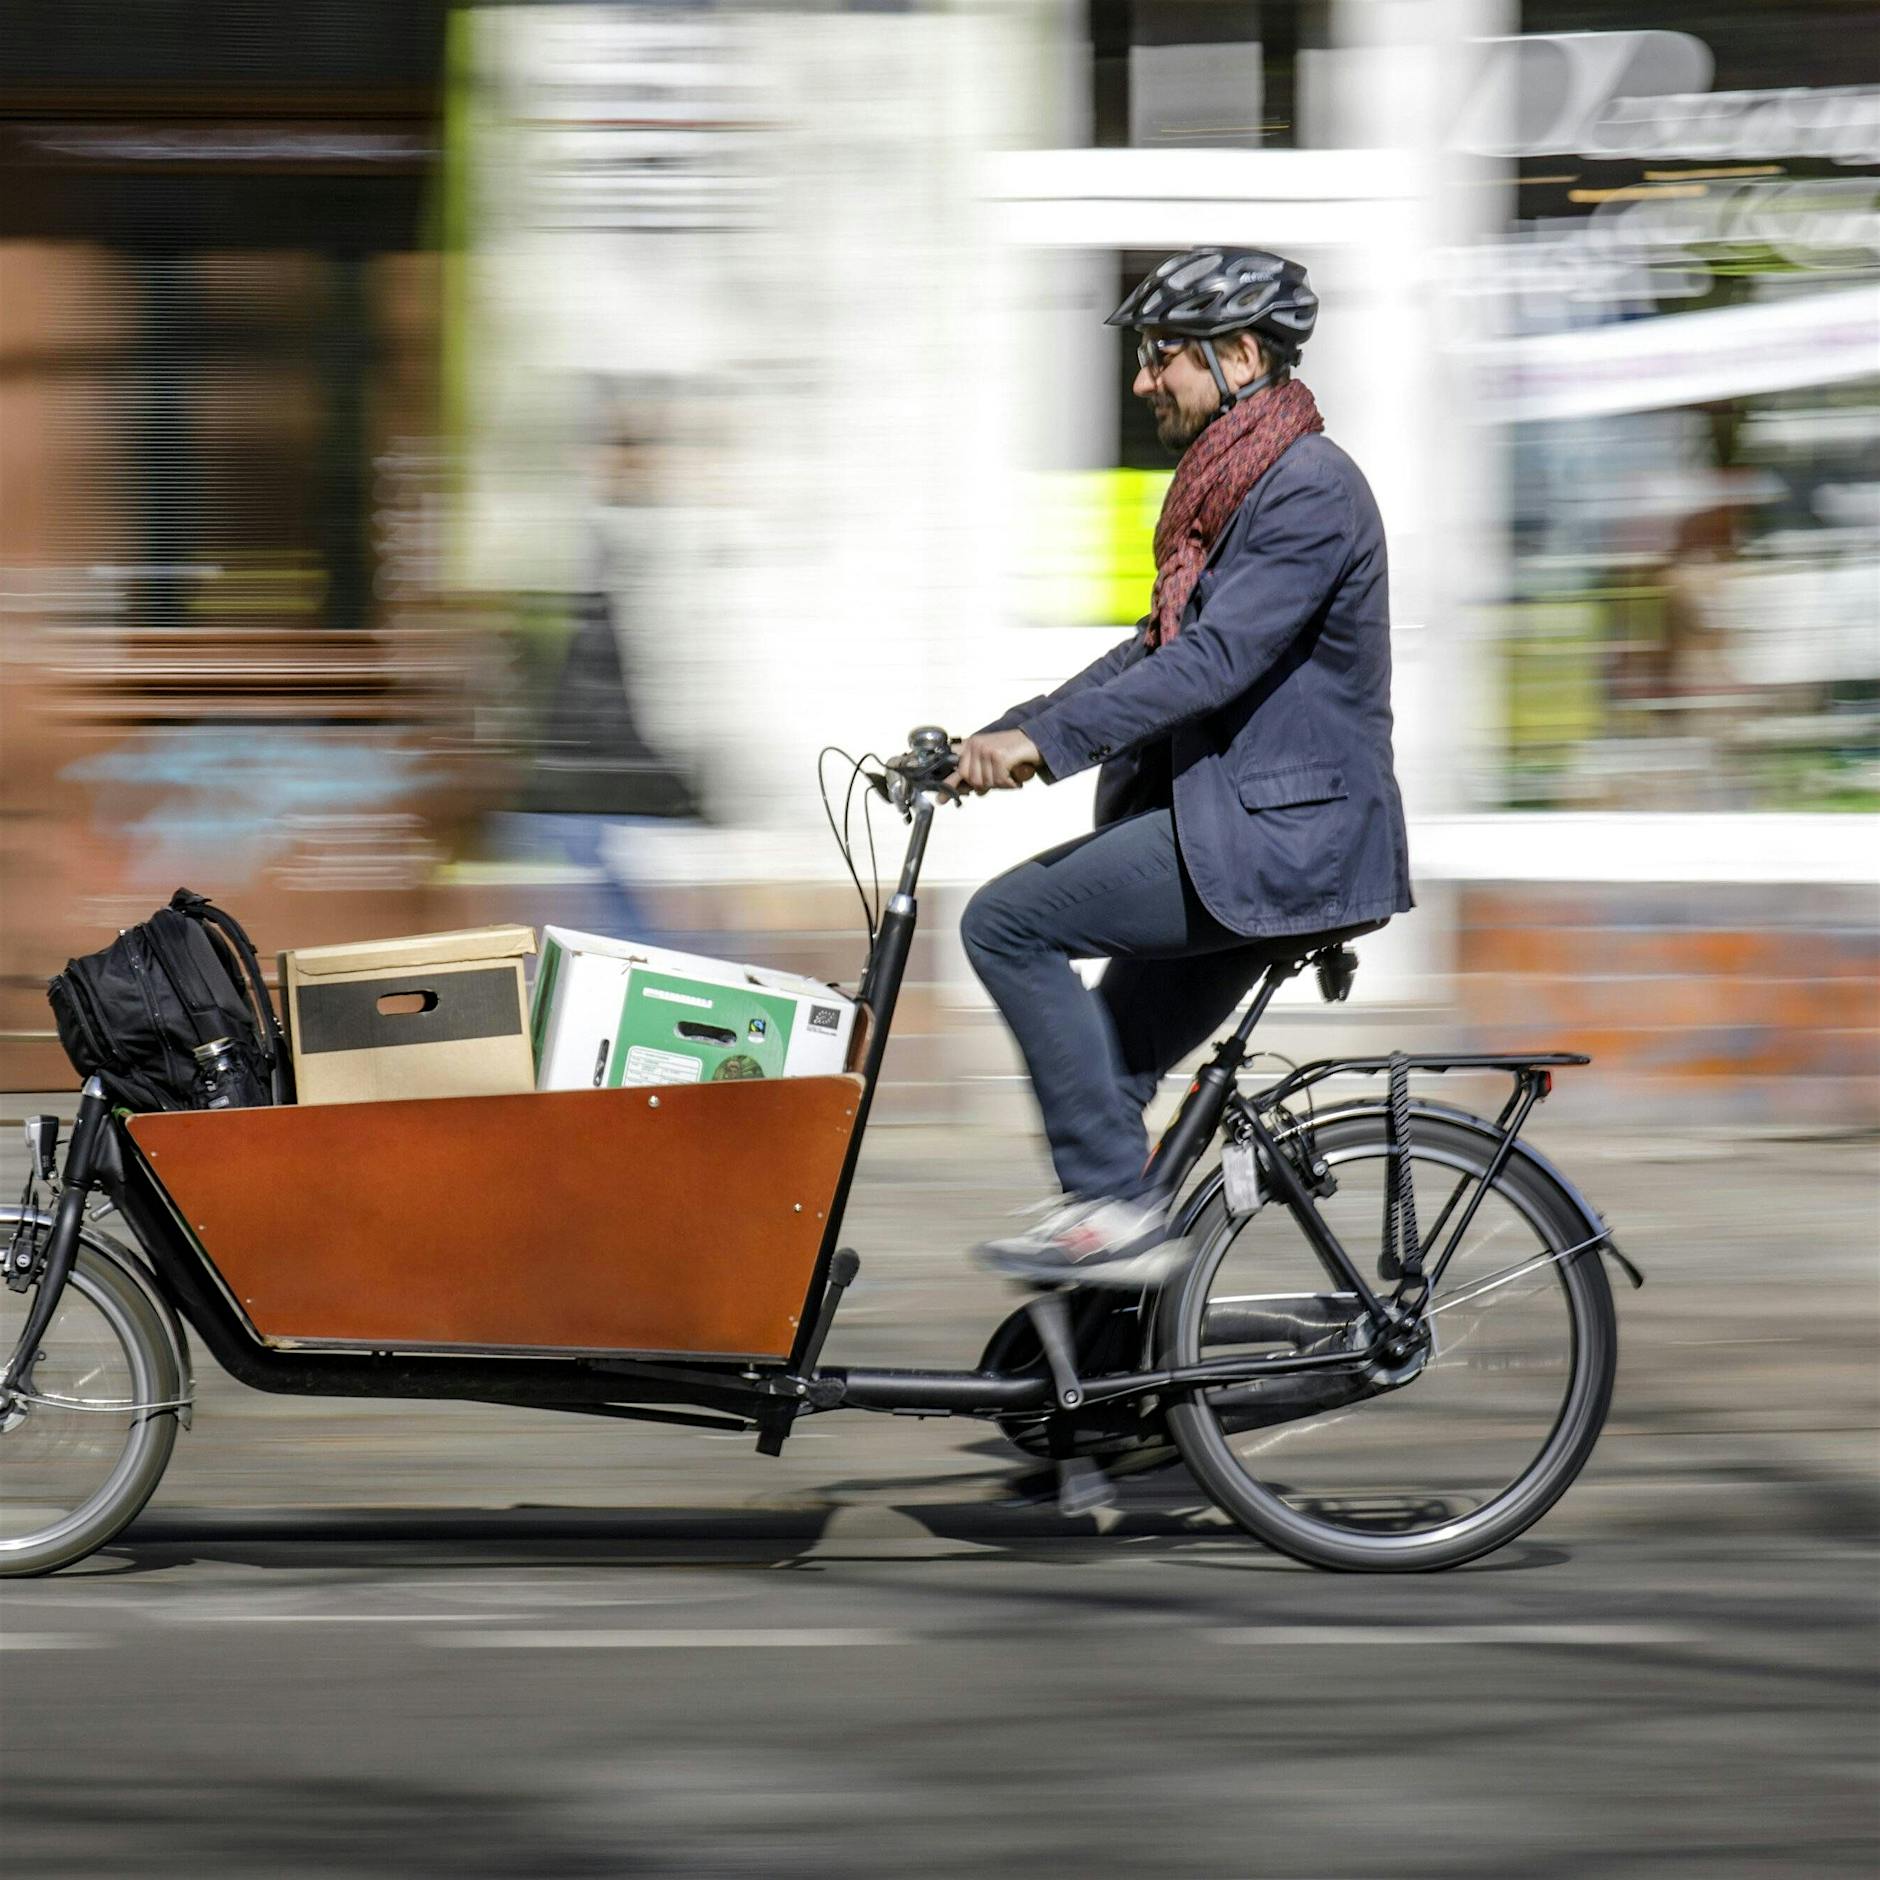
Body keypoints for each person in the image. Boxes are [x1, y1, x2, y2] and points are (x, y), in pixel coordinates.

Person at [950, 248, 1412, 1287]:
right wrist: (1005, 733)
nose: (1142, 380)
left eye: (1162, 355)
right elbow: (1155, 646)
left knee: (1004, 922)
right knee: (1103, 1073)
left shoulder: (1307, 490)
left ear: (1239, 354)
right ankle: (1116, 1392)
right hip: (1238, 834)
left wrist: (1046, 748)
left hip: (1274, 841)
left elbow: (1213, 660)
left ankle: (1119, 1215)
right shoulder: (1236, 482)